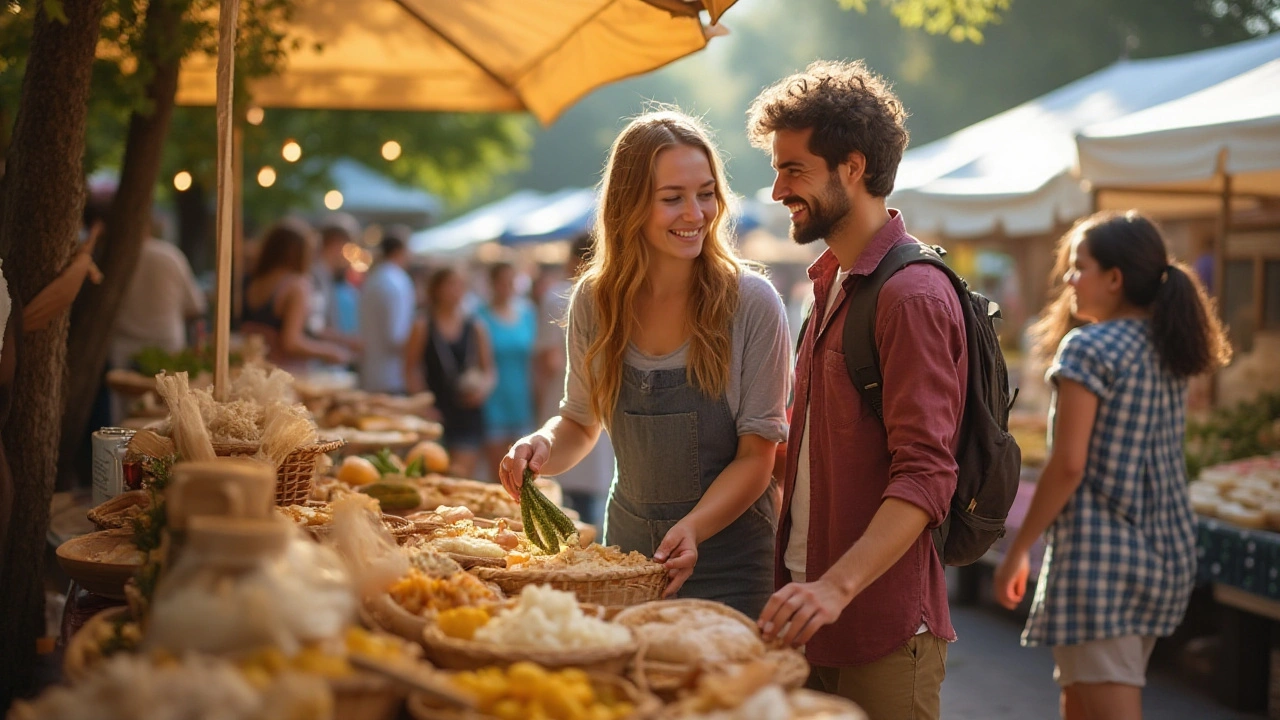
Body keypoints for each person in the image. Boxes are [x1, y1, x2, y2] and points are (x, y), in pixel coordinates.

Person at [497, 109, 791, 618]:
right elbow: (580, 420)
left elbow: (757, 457)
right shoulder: (594, 300)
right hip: (625, 560)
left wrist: (694, 529)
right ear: (628, 205)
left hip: (733, 566)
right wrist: (541, 444)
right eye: (672, 198)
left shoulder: (752, 302)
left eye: (706, 193)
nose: (696, 213)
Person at [747, 60, 962, 719]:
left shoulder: (911, 296)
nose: (778, 188)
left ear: (851, 167)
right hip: (812, 618)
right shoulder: (830, 285)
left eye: (794, 168)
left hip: (880, 632)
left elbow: (927, 476)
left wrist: (834, 588)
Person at [993, 211, 1232, 720]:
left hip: (1102, 559)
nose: (1070, 280)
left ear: (1115, 279)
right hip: (1163, 552)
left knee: (1102, 698)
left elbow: (1068, 465)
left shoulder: (1090, 347)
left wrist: (1019, 549)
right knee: (1079, 697)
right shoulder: (1168, 347)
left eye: (1080, 267)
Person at [533, 234, 614, 527]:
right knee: (592, 495)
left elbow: (548, 359)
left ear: (571, 259)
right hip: (600, 402)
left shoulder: (558, 293)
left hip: (565, 397)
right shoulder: (611, 293)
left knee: (558, 490)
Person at [404, 266, 495, 479]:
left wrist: (482, 390)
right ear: (436, 289)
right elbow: (411, 368)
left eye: (460, 285)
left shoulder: (475, 325)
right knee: (432, 477)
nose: (456, 291)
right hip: (435, 410)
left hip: (467, 410)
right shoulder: (423, 324)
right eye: (450, 284)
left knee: (461, 478)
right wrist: (423, 404)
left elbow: (489, 370)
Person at [240, 219, 351, 372]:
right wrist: (329, 352)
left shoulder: (255, 281)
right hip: (285, 373)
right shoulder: (296, 286)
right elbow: (291, 342)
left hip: (253, 369)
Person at [109, 211, 207, 372]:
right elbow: (195, 307)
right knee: (167, 396)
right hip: (168, 346)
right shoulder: (171, 256)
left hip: (124, 351)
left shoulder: (115, 260)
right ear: (149, 226)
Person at [478, 262, 538, 481]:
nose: (507, 286)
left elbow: (535, 361)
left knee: (524, 476)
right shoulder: (479, 315)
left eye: (510, 281)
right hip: (493, 402)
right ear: (492, 284)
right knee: (499, 475)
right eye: (502, 281)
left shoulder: (528, 313)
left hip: (522, 400)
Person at [359, 229, 416, 393]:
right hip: (392, 376)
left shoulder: (374, 278)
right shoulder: (396, 281)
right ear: (400, 251)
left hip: (373, 371)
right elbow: (396, 336)